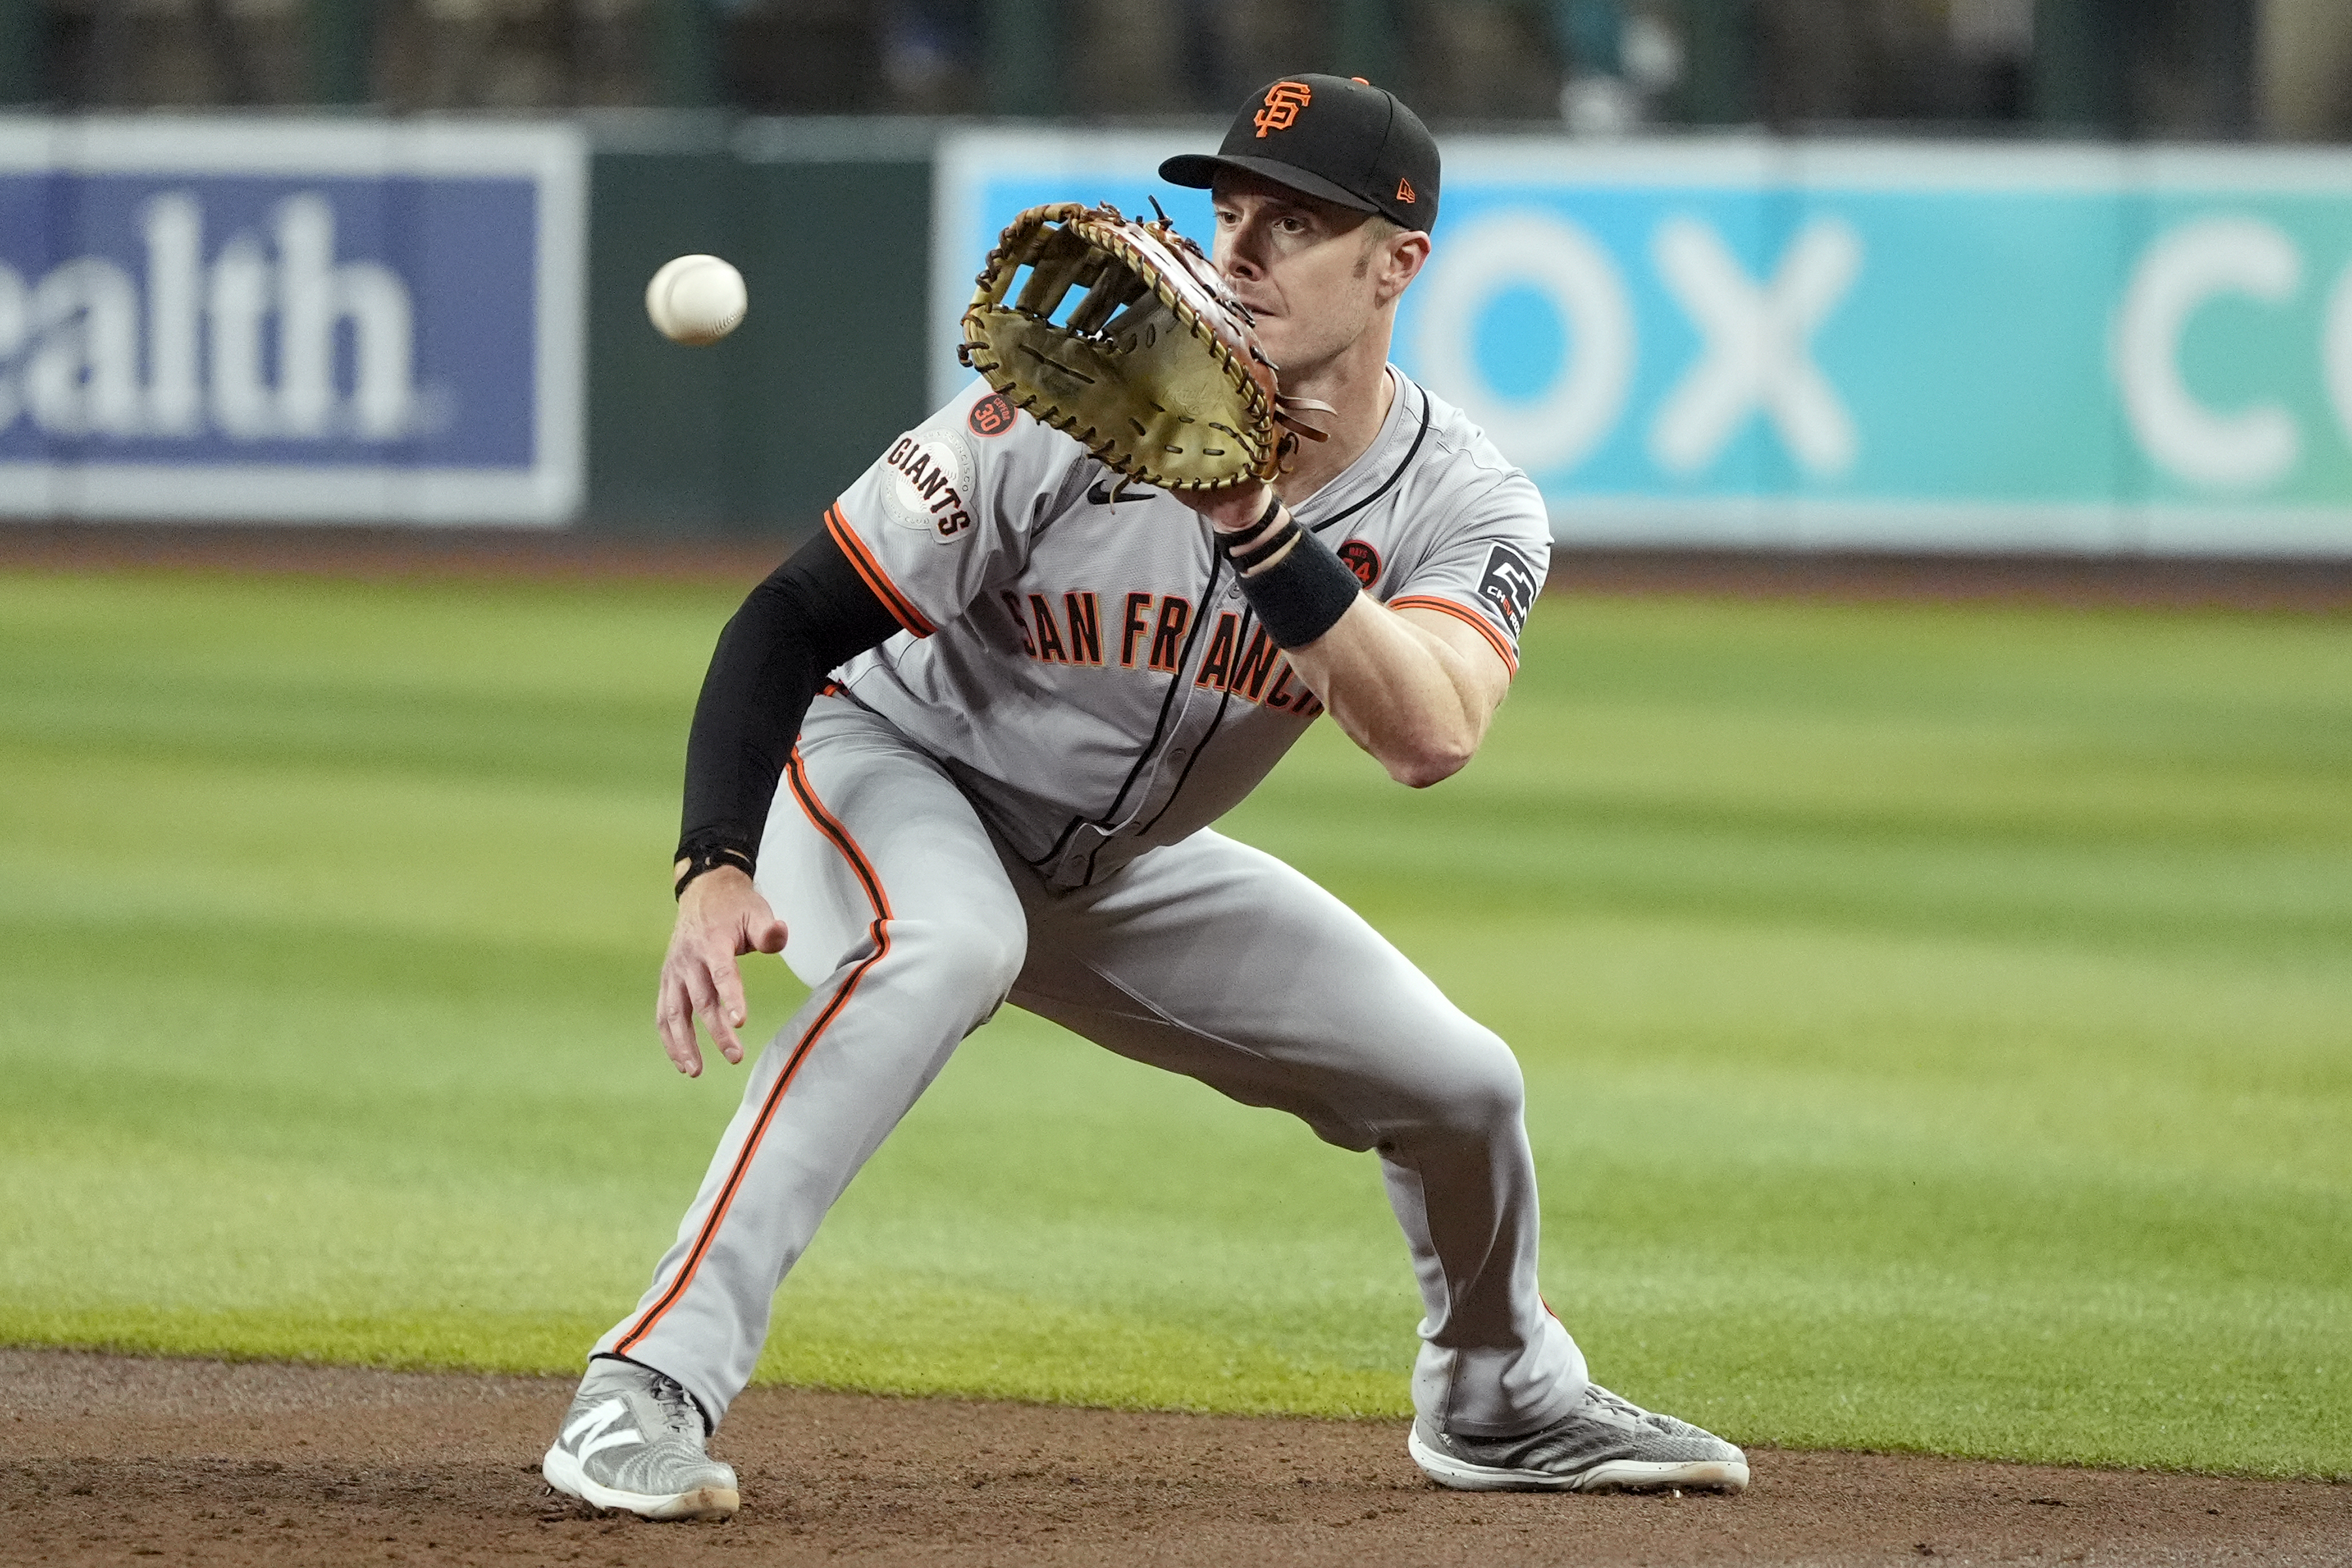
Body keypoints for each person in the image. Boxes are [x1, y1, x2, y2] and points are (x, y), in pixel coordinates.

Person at [540, 73, 1748, 1522]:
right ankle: (647, 1385)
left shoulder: (1467, 500)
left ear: (1395, 265)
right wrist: (714, 864)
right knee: (950, 942)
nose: (1239, 252)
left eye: (1293, 224)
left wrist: (1251, 518)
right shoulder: (1073, 404)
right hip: (885, 773)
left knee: (1463, 1086)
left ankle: (1499, 1397)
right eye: (1229, 210)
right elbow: (788, 623)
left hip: (1112, 864)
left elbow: (1429, 734)